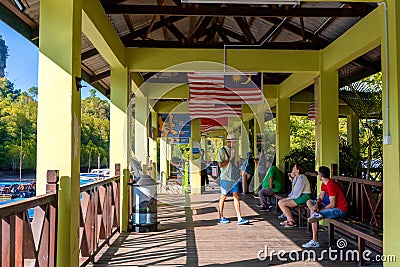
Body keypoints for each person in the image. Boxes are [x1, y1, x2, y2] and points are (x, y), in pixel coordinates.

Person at [302, 166, 348, 248]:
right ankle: (314, 213)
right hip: (330, 207)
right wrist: (316, 205)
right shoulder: (324, 183)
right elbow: (320, 198)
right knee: (309, 202)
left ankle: (315, 241)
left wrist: (319, 210)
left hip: (339, 210)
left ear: (321, 175)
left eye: (318, 174)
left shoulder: (331, 185)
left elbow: (332, 205)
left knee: (314, 217)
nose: (317, 175)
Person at [217, 134, 249, 225]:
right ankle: (220, 217)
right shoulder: (222, 151)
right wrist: (230, 159)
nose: (235, 143)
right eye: (234, 141)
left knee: (236, 196)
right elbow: (220, 165)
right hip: (225, 177)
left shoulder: (234, 150)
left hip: (234, 177)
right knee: (223, 197)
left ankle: (239, 218)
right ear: (229, 141)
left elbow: (237, 162)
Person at [278, 163, 311, 228]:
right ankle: (288, 219)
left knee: (282, 203)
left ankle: (291, 221)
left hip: (304, 197)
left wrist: (288, 198)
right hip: (299, 195)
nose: (292, 168)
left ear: (298, 170)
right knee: (280, 202)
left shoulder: (301, 178)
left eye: (294, 168)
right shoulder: (296, 177)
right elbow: (294, 190)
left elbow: (297, 193)